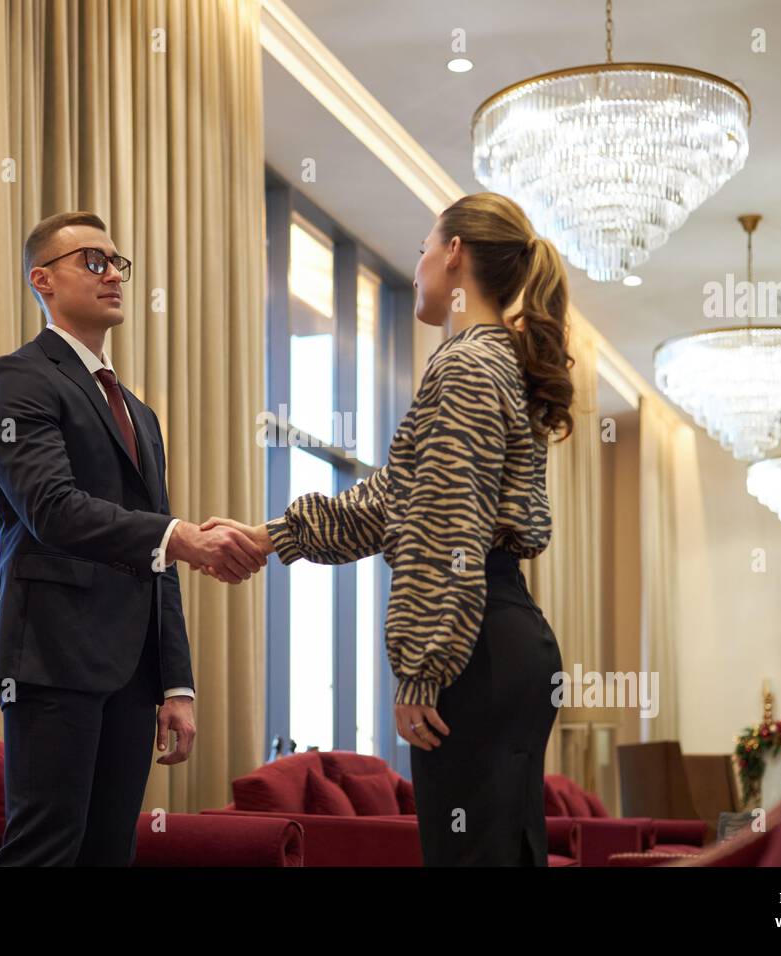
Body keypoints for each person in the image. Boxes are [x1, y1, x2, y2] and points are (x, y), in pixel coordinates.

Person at [203, 192, 575, 865]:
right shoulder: (497, 364)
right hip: (502, 637)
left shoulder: (464, 365)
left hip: (472, 645)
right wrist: (271, 535)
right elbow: (392, 501)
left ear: (455, 252)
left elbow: (447, 527)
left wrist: (421, 671)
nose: (418, 265)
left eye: (423, 248)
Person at [0, 211, 265, 865]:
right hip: (51, 654)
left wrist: (176, 685)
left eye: (117, 262)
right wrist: (181, 536)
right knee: (46, 849)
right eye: (93, 261)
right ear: (41, 280)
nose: (113, 275)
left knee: (110, 853)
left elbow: (156, 550)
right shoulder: (18, 379)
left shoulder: (139, 412)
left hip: (132, 669)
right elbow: (53, 510)